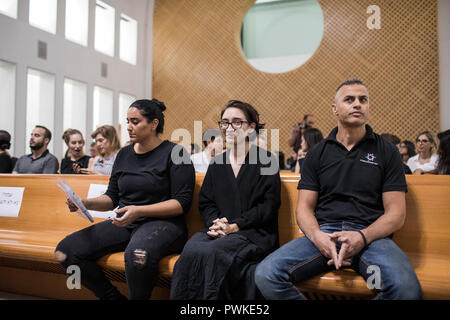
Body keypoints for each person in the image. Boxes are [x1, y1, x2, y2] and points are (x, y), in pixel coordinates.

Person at [254, 78, 422, 300]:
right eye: (349, 99)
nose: (357, 104)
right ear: (335, 109)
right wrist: (317, 237)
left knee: (405, 289)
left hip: (371, 236)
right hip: (325, 233)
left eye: (363, 100)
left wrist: (362, 237)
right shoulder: (318, 153)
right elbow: (304, 208)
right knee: (266, 274)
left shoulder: (387, 151)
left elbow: (396, 214)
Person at [54, 99, 195, 300]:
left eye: (135, 121)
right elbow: (112, 197)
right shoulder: (125, 154)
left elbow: (181, 203)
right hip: (126, 221)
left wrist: (139, 210)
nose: (128, 127)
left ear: (154, 124)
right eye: (127, 121)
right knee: (67, 251)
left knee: (138, 255)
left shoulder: (176, 153)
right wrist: (85, 202)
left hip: (164, 224)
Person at [170, 100, 281, 300]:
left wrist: (235, 226)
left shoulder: (267, 161)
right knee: (191, 248)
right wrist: (217, 222)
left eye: (237, 122)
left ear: (251, 127)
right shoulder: (217, 163)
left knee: (214, 254)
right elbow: (206, 202)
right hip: (219, 229)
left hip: (254, 232)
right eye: (225, 122)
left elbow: (268, 206)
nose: (230, 128)